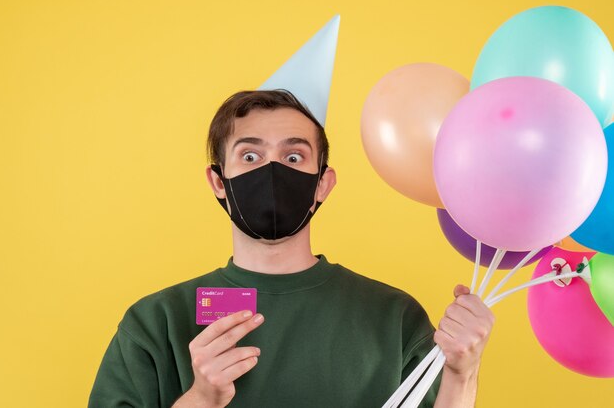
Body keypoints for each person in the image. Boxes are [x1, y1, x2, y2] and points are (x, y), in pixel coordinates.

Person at [88, 89, 495, 408]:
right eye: (250, 155)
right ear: (218, 182)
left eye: (294, 155)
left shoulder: (394, 318)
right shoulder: (155, 323)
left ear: (323, 183)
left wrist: (463, 372)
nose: (272, 171)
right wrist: (200, 400)